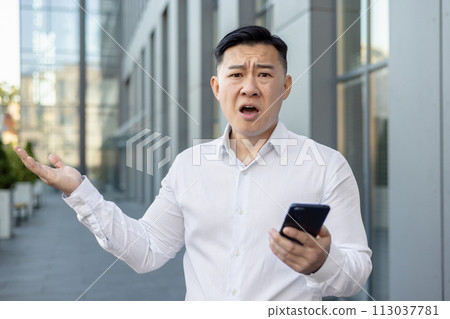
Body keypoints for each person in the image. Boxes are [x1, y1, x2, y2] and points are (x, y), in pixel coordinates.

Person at [15, 26, 371, 300]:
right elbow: (147, 251)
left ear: (286, 86)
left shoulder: (326, 165)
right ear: (217, 87)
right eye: (236, 75)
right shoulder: (189, 166)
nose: (249, 87)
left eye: (264, 74)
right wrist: (80, 192)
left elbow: (357, 273)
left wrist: (323, 262)